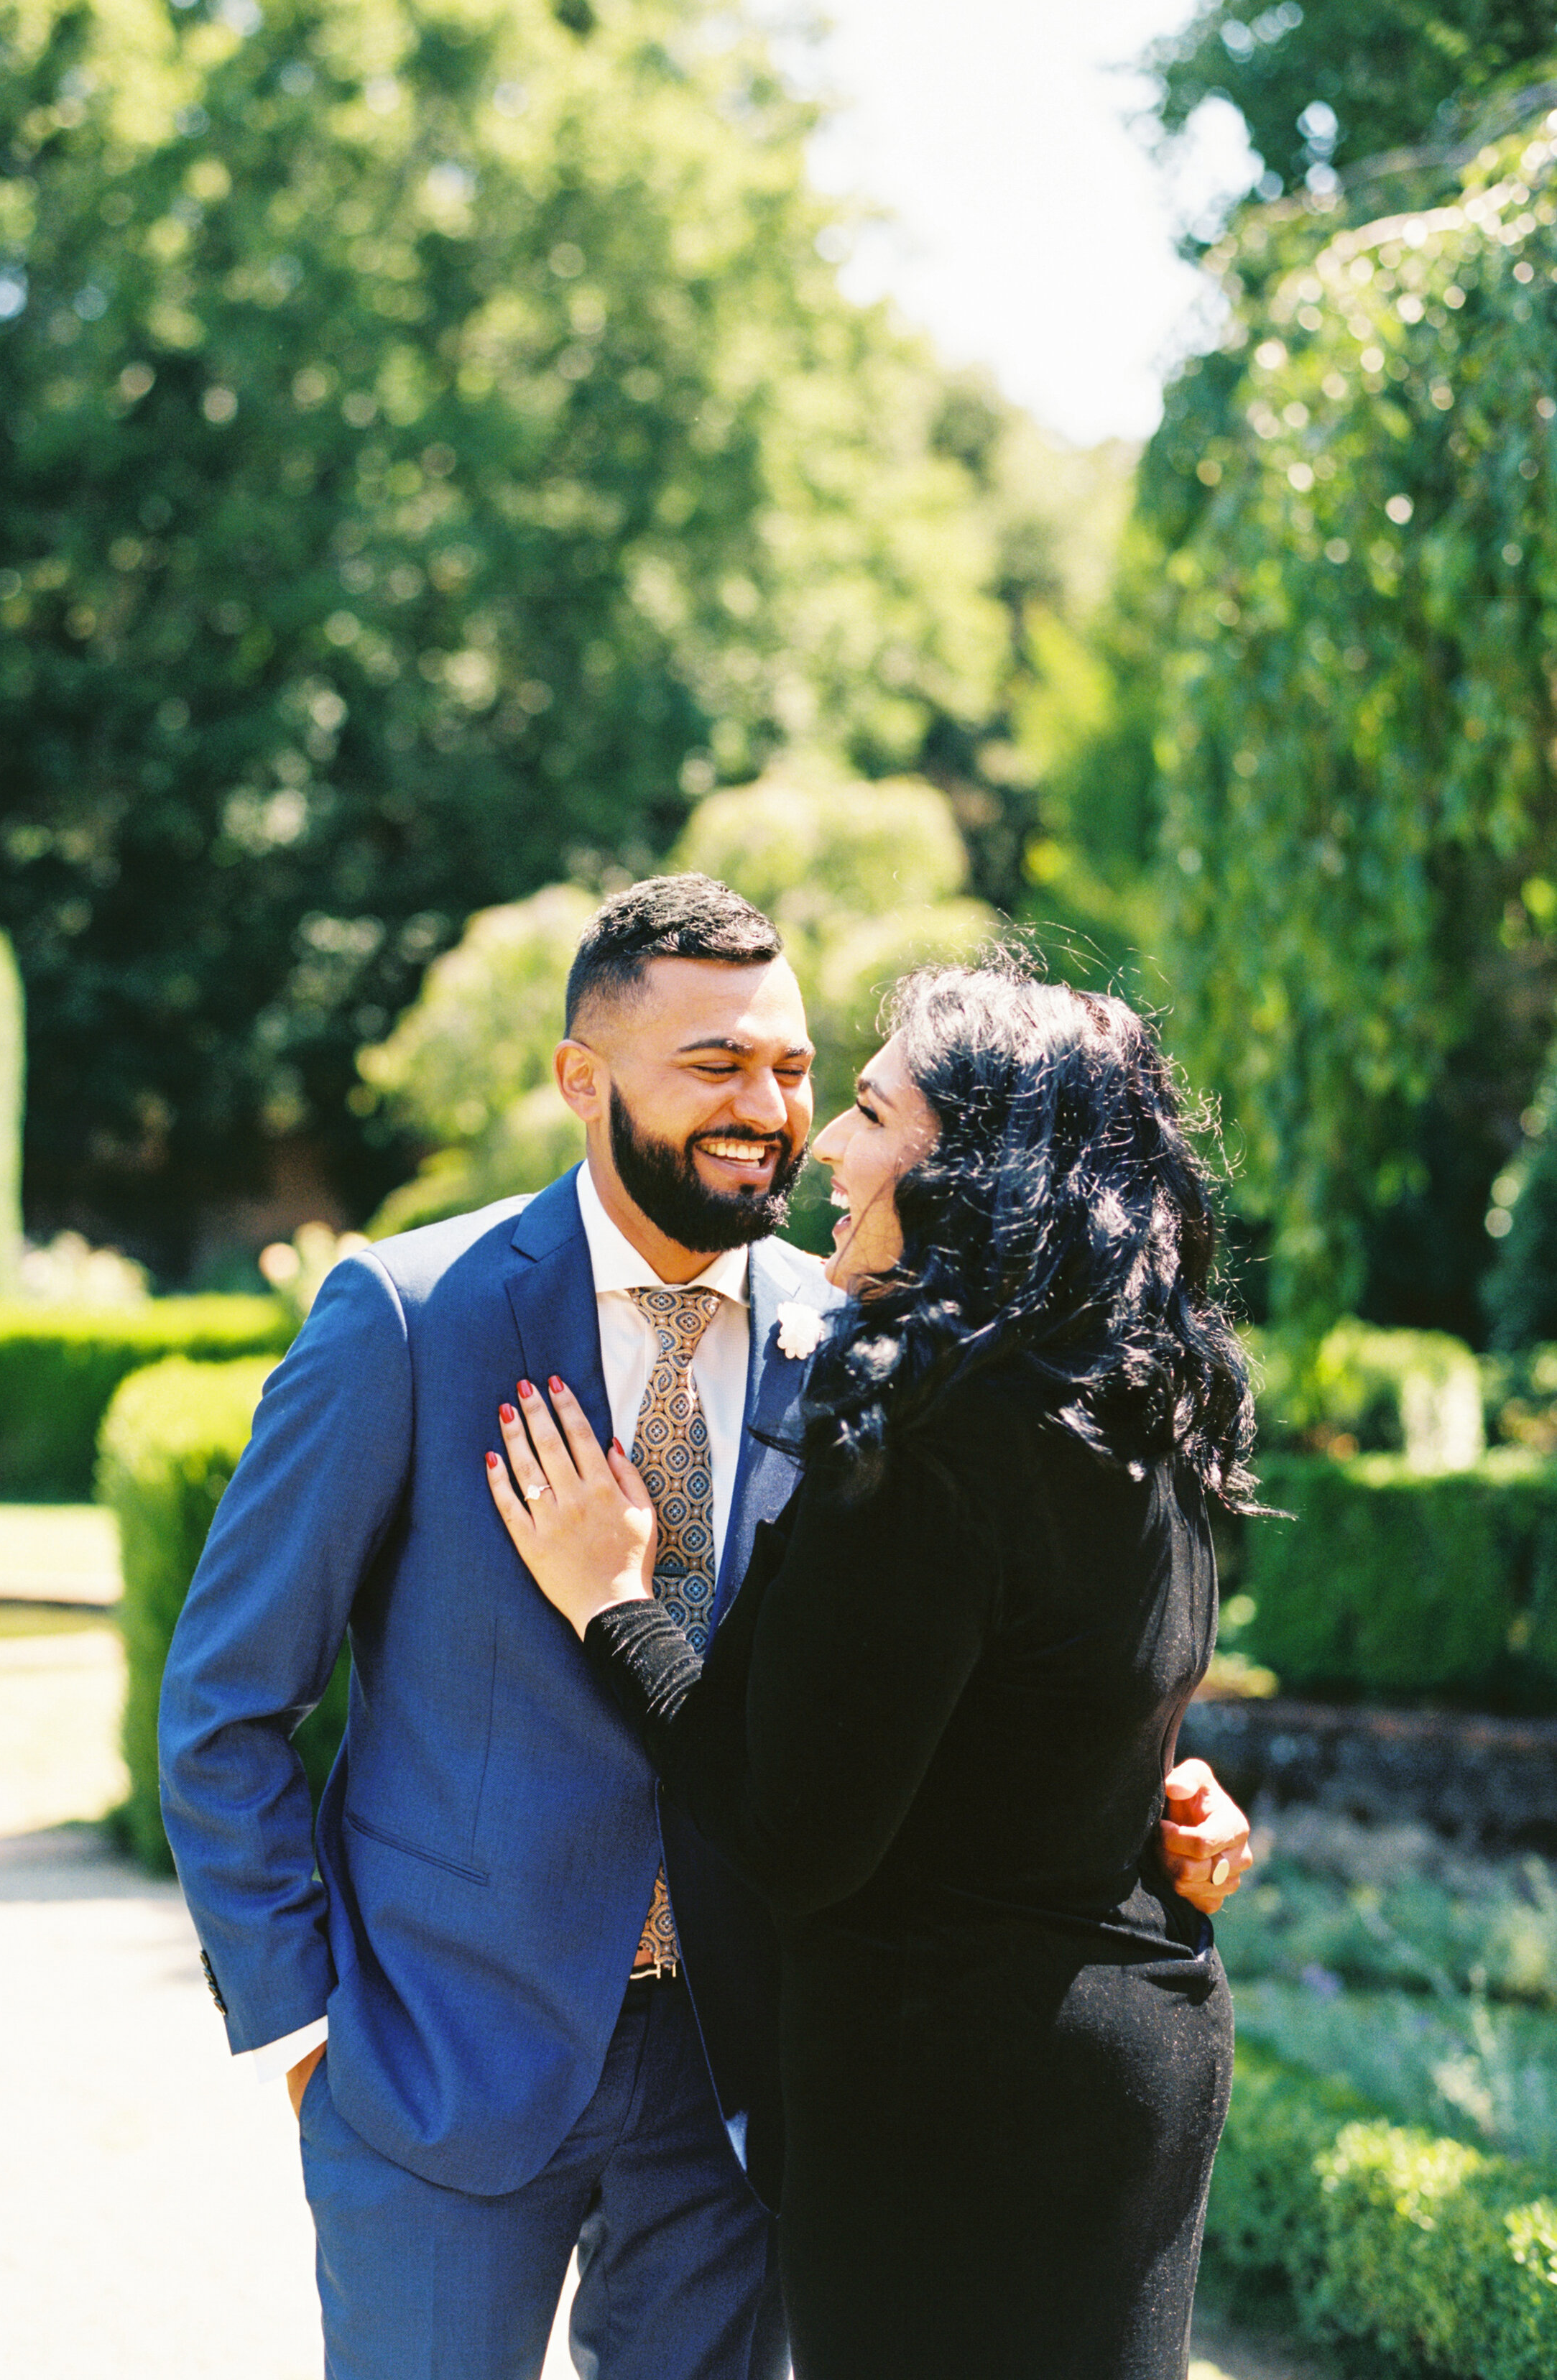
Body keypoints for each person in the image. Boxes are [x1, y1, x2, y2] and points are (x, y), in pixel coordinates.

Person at [159, 884, 1252, 2380]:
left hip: (744, 2091)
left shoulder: (876, 1344)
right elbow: (227, 1702)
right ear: (581, 1079)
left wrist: (1141, 1800)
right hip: (438, 2069)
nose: (769, 1111)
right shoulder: (408, 1318)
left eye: (797, 1071)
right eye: (715, 1066)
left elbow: (949, 1675)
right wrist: (300, 2034)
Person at [486, 961, 1253, 2379]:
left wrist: (610, 1601)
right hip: (1139, 2054)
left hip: (954, 2106)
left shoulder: (925, 1440)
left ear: (974, 1172)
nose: (822, 1149)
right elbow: (1074, 1700)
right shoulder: (1135, 1402)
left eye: (865, 1111)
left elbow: (792, 1832)